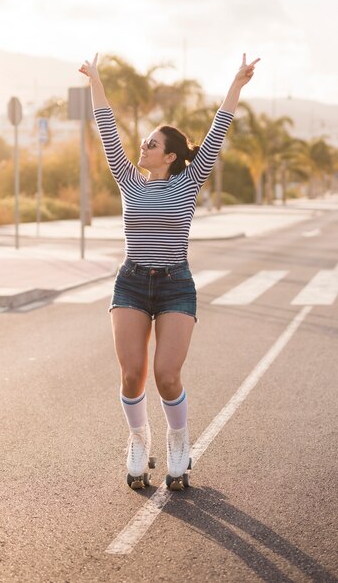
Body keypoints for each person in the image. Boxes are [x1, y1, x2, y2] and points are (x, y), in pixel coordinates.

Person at [79, 52, 260, 489]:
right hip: (132, 283)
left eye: (152, 143)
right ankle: (139, 439)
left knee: (166, 375)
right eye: (144, 141)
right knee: (130, 372)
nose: (143, 146)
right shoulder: (129, 179)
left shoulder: (189, 180)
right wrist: (96, 81)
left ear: (171, 156)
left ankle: (179, 439)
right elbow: (106, 128)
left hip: (176, 284)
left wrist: (236, 84)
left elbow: (218, 129)